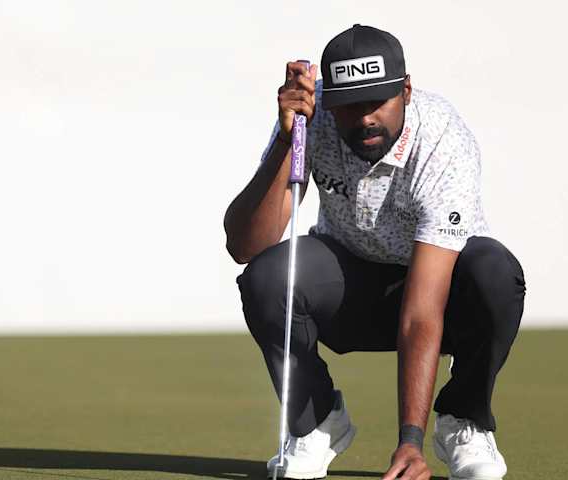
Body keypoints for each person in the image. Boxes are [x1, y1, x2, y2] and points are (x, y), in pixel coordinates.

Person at [223, 24, 526, 480]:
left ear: (405, 90)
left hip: (441, 295)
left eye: (376, 103)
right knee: (269, 277)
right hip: (350, 288)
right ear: (328, 102)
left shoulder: (442, 141)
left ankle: (463, 418)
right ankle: (315, 422)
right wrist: (288, 140)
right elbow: (246, 246)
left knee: (495, 272)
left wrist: (409, 442)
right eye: (347, 106)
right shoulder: (312, 120)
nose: (363, 118)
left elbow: (422, 312)